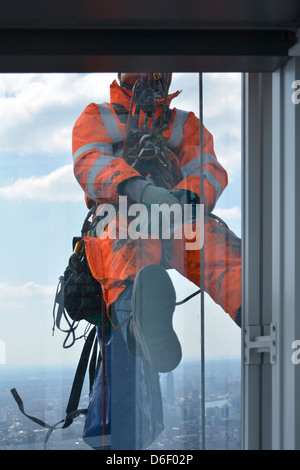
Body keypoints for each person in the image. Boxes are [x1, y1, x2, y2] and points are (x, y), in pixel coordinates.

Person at [72, 73, 241, 449]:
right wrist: (139, 189)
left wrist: (183, 199)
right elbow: (89, 163)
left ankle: (257, 308)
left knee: (218, 249)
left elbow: (207, 170)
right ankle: (138, 324)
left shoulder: (184, 123)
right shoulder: (100, 115)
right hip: (125, 215)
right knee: (128, 245)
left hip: (176, 216)